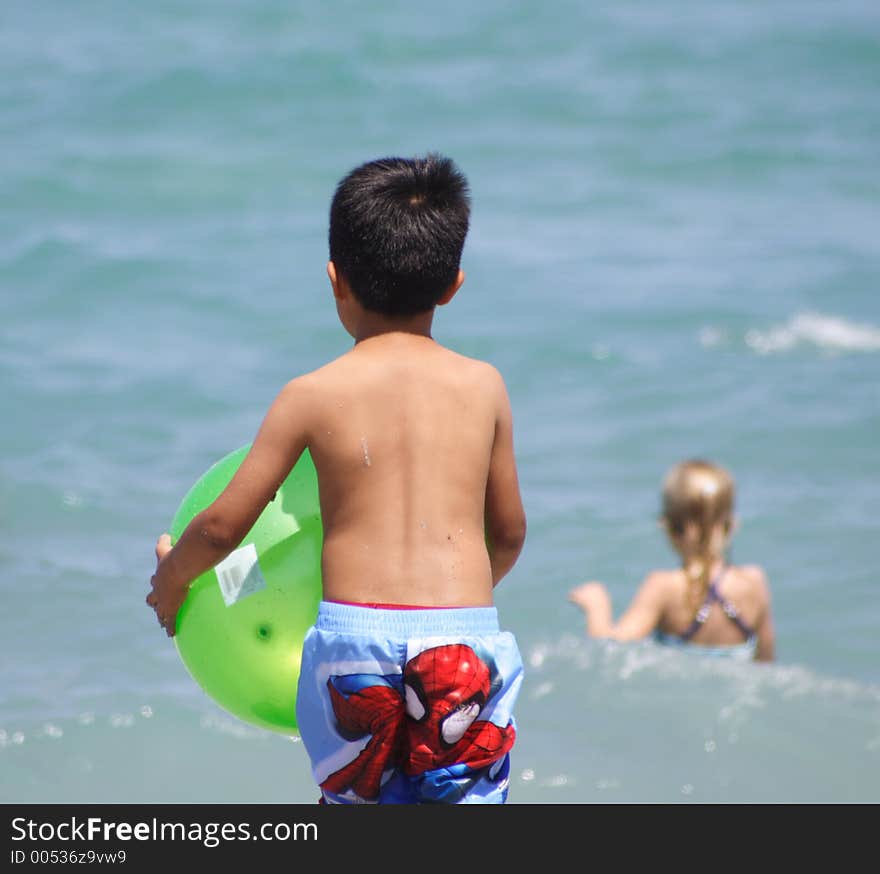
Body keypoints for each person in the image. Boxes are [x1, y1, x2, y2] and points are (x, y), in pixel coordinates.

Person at [146, 153, 528, 804]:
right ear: (453, 285)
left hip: (356, 642)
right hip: (461, 639)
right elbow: (510, 533)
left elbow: (219, 527)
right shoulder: (483, 387)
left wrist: (171, 583)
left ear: (335, 280)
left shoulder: (313, 395)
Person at [568, 459, 775, 662]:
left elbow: (610, 650)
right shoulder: (754, 582)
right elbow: (765, 660)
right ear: (731, 526)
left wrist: (597, 606)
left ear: (668, 527)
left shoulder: (663, 586)